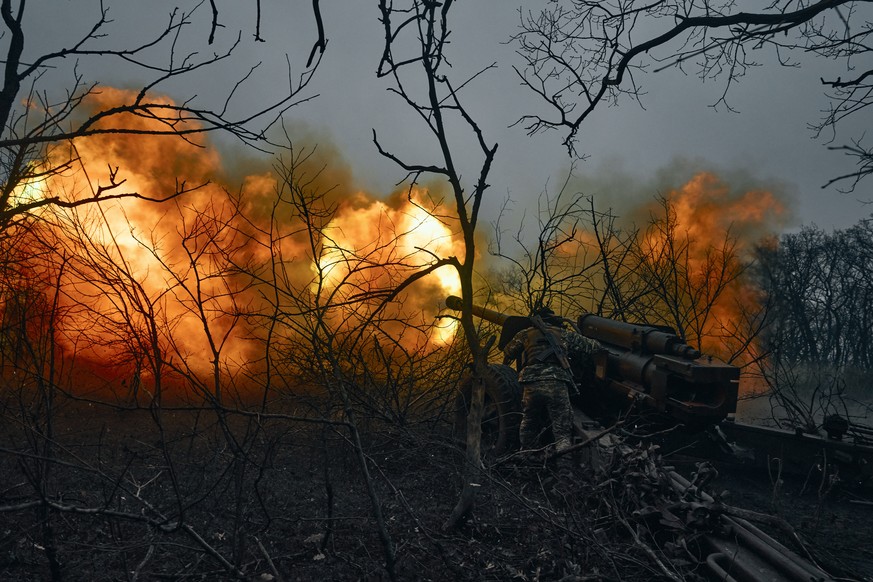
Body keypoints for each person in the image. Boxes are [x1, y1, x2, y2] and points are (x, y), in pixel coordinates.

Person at [502, 306, 601, 453]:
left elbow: (508, 351)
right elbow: (593, 346)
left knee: (528, 423)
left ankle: (527, 458)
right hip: (557, 383)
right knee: (562, 433)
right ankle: (564, 468)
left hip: (532, 384)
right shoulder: (563, 334)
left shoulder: (525, 334)